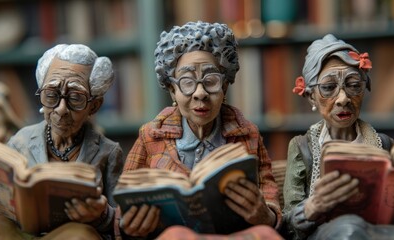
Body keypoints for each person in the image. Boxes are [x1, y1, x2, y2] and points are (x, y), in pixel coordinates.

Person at [117, 21, 282, 239]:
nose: (200, 93)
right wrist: (129, 226)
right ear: (172, 90)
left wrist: (267, 216)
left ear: (224, 86)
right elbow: (125, 199)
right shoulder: (151, 135)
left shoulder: (247, 133)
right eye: (187, 82)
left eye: (211, 80)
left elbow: (268, 189)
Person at [282, 33, 394, 240]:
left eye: (354, 86)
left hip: (382, 229)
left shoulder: (384, 143)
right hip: (329, 231)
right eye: (328, 88)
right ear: (311, 96)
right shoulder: (303, 147)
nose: (343, 99)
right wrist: (312, 207)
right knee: (349, 229)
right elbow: (288, 222)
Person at [0, 44, 124, 239]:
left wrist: (101, 215)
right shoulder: (21, 140)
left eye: (75, 98)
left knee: (81, 235)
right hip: (21, 233)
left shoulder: (108, 152)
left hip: (68, 234)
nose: (61, 109)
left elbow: (122, 224)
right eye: (51, 95)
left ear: (94, 106)